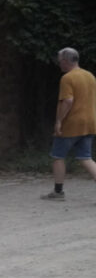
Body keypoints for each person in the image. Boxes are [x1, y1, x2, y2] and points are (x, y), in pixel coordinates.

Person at [42, 47, 96, 200]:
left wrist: (59, 121)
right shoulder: (90, 76)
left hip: (71, 123)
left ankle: (58, 192)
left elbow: (68, 101)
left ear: (65, 62)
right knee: (86, 158)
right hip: (90, 122)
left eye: (60, 62)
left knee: (58, 156)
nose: (59, 65)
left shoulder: (67, 78)